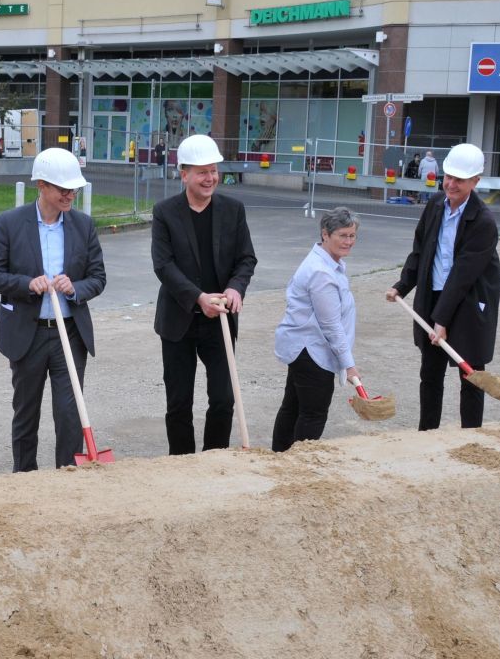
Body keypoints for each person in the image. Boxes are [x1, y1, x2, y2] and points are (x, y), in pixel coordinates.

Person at [0, 147, 107, 471]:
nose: (70, 194)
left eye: (73, 188)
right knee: (26, 412)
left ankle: (67, 478)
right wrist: (25, 284)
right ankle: (25, 478)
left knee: (69, 413)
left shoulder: (83, 225)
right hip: (28, 334)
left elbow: (98, 277)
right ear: (41, 186)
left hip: (70, 334)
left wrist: (76, 288)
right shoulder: (10, 223)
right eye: (63, 188)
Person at [152, 134, 257, 454]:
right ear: (184, 175)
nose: (210, 178)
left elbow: (246, 258)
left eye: (214, 170)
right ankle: (182, 464)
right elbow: (163, 265)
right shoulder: (165, 212)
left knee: (224, 398)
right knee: (179, 402)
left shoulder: (233, 210)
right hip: (179, 320)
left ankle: (216, 459)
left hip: (220, 321)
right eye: (202, 172)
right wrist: (198, 297)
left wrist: (235, 288)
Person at [385, 143, 500, 431]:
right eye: (448, 176)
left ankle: (470, 436)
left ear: (475, 181)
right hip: (433, 297)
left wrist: (442, 320)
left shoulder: (483, 222)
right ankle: (428, 433)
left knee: (470, 373)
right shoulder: (435, 205)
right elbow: (420, 251)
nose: (451, 184)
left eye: (459, 180)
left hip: (468, 302)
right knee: (431, 373)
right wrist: (402, 285)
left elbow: (463, 275)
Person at [271, 208, 361, 452]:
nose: (348, 241)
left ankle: (279, 457)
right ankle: (299, 464)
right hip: (312, 352)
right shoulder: (321, 273)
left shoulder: (330, 262)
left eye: (352, 236)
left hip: (305, 348)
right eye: (343, 235)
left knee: (293, 405)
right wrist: (349, 364)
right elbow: (331, 326)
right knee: (313, 413)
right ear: (325, 234)